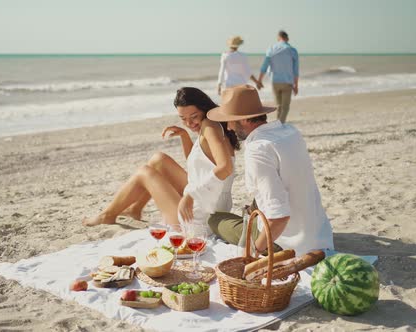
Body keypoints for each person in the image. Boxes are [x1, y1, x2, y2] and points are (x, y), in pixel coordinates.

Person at [82, 87, 239, 231]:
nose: (189, 123)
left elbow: (225, 167)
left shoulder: (209, 127)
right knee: (159, 159)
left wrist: (191, 196)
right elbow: (199, 163)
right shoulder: (215, 126)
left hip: (199, 218)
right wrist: (185, 136)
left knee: (144, 172)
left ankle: (107, 216)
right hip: (212, 201)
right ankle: (135, 209)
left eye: (193, 116)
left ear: (204, 109)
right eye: (183, 118)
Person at [206, 85, 333, 256]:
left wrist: (252, 252)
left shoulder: (257, 149)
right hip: (318, 233)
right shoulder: (290, 132)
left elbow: (279, 217)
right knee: (252, 207)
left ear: (244, 119)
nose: (228, 127)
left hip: (286, 242)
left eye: (229, 120)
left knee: (214, 219)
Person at [257, 30, 299, 123]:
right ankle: (280, 125)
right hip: (287, 82)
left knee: (278, 105)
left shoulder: (271, 48)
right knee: (285, 107)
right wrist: (296, 85)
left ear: (278, 38)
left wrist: (259, 80)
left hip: (275, 81)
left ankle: (278, 124)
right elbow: (295, 71)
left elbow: (264, 66)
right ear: (287, 38)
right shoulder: (292, 50)